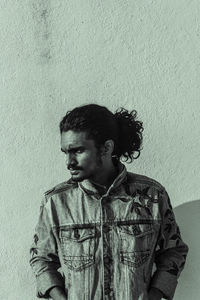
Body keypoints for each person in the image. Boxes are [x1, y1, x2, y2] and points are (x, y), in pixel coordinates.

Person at [30, 104, 188, 300]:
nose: (68, 162)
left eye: (78, 151)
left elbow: (174, 251)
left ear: (106, 148)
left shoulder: (152, 197)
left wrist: (154, 296)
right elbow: (41, 259)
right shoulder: (55, 202)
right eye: (65, 152)